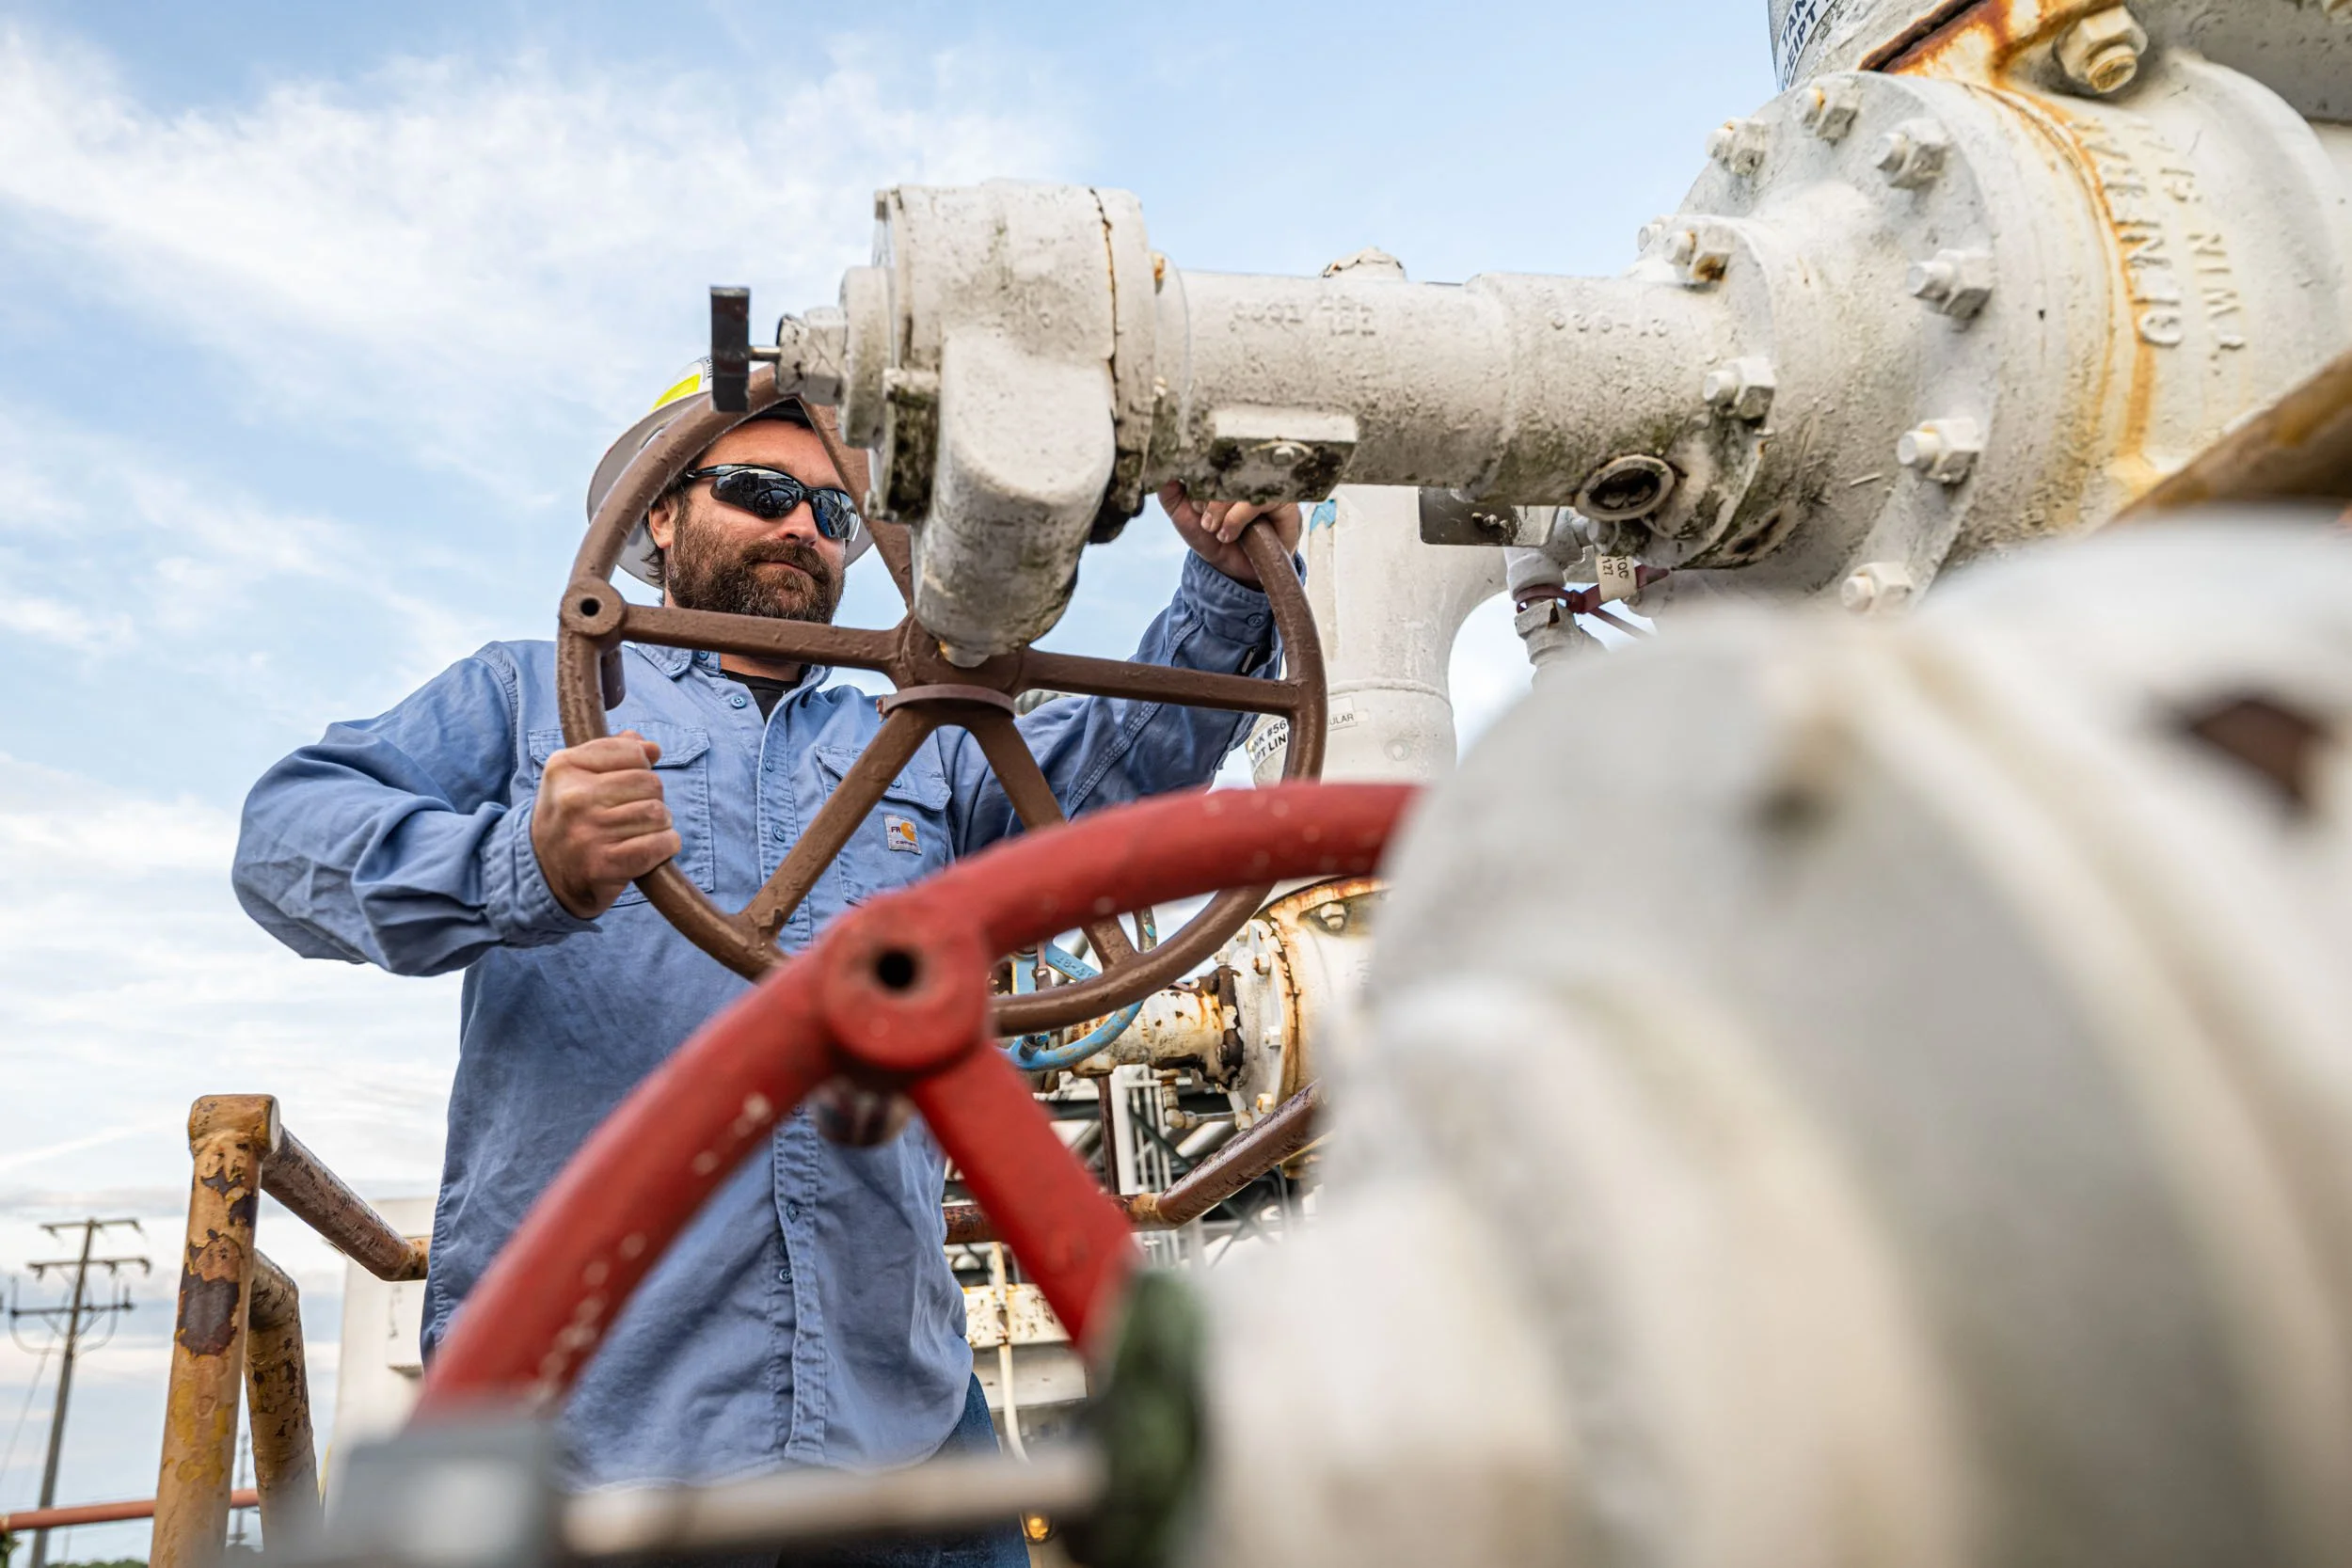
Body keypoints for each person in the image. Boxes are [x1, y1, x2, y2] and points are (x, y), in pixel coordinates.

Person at [231, 365, 1299, 1551]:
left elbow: (1110, 787)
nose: (801, 525)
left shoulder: (924, 739)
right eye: (755, 489)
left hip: (892, 1403)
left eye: (833, 510)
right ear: (658, 516)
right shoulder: (537, 697)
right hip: (596, 1429)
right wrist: (524, 859)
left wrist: (1219, 584)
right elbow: (284, 842)